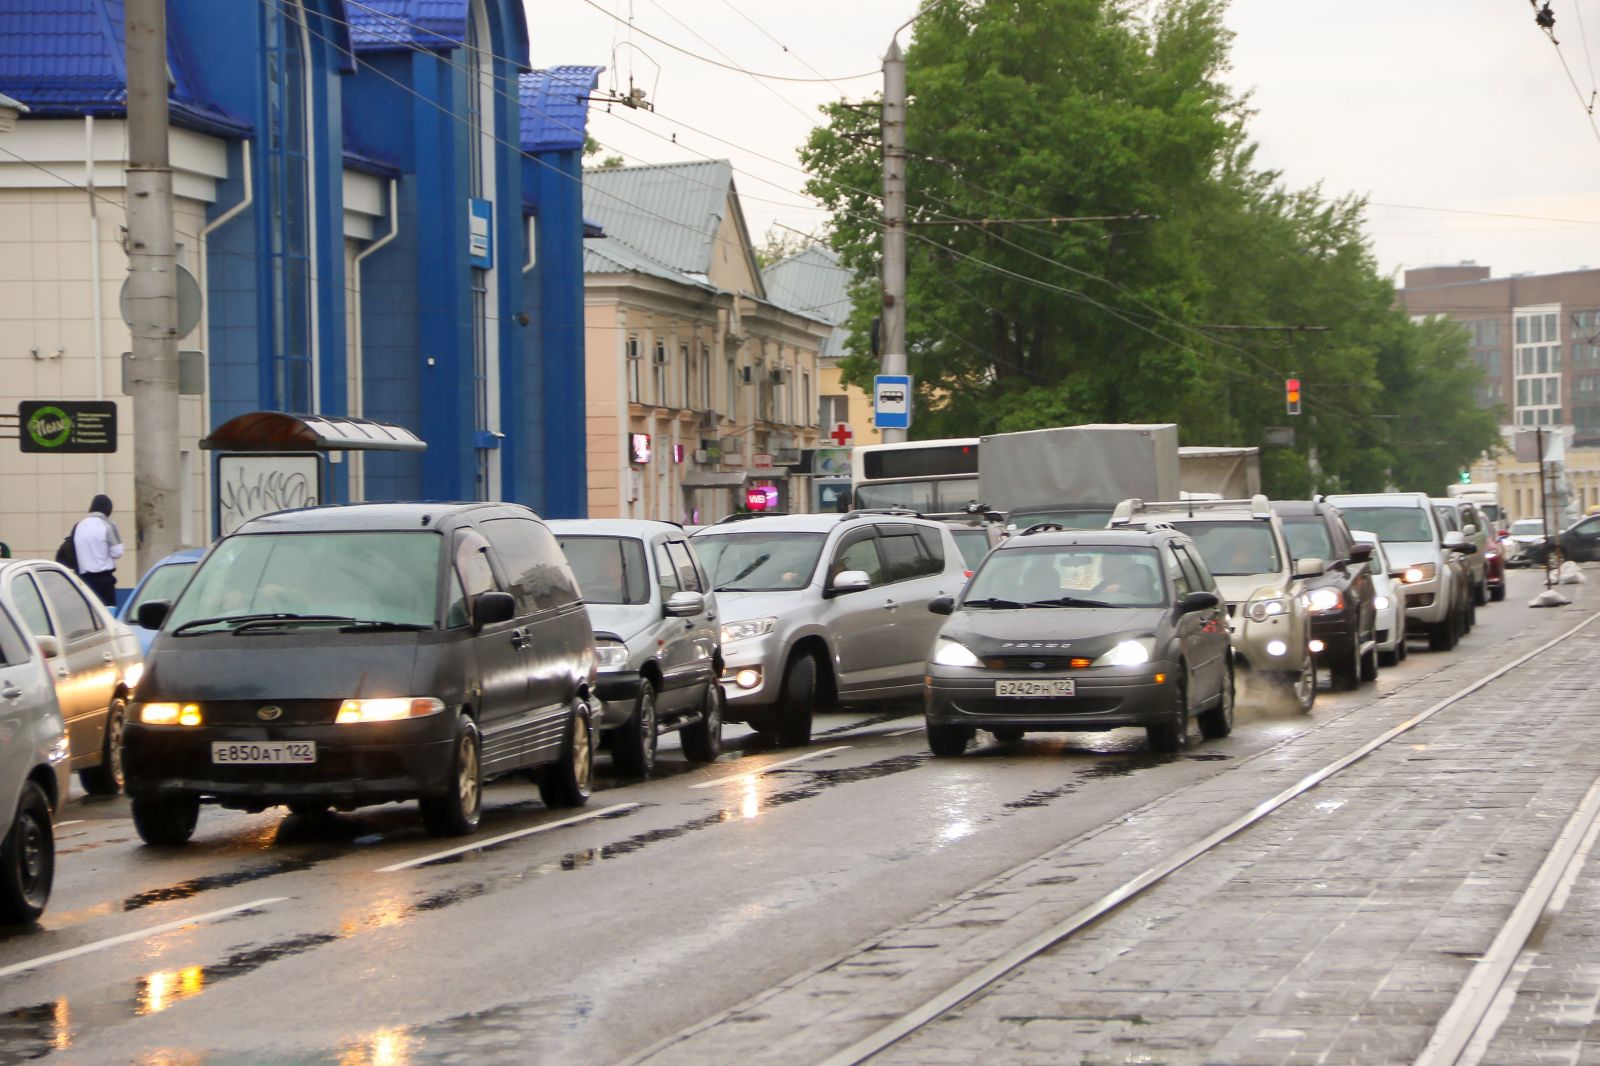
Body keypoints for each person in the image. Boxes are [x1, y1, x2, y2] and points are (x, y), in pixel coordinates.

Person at [72, 494, 123, 607]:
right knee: (108, 612)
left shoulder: (79, 526)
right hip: (104, 581)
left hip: (84, 581)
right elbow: (118, 552)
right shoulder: (107, 525)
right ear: (107, 509)